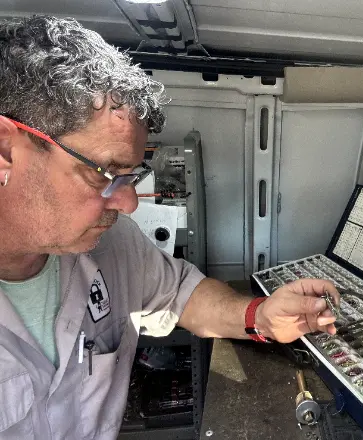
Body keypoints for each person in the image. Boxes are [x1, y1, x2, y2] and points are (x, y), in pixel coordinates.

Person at [0, 15, 339, 440]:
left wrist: (260, 317)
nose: (126, 204)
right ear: (5, 149)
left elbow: (182, 294)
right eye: (103, 172)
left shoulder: (110, 244)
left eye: (129, 177)